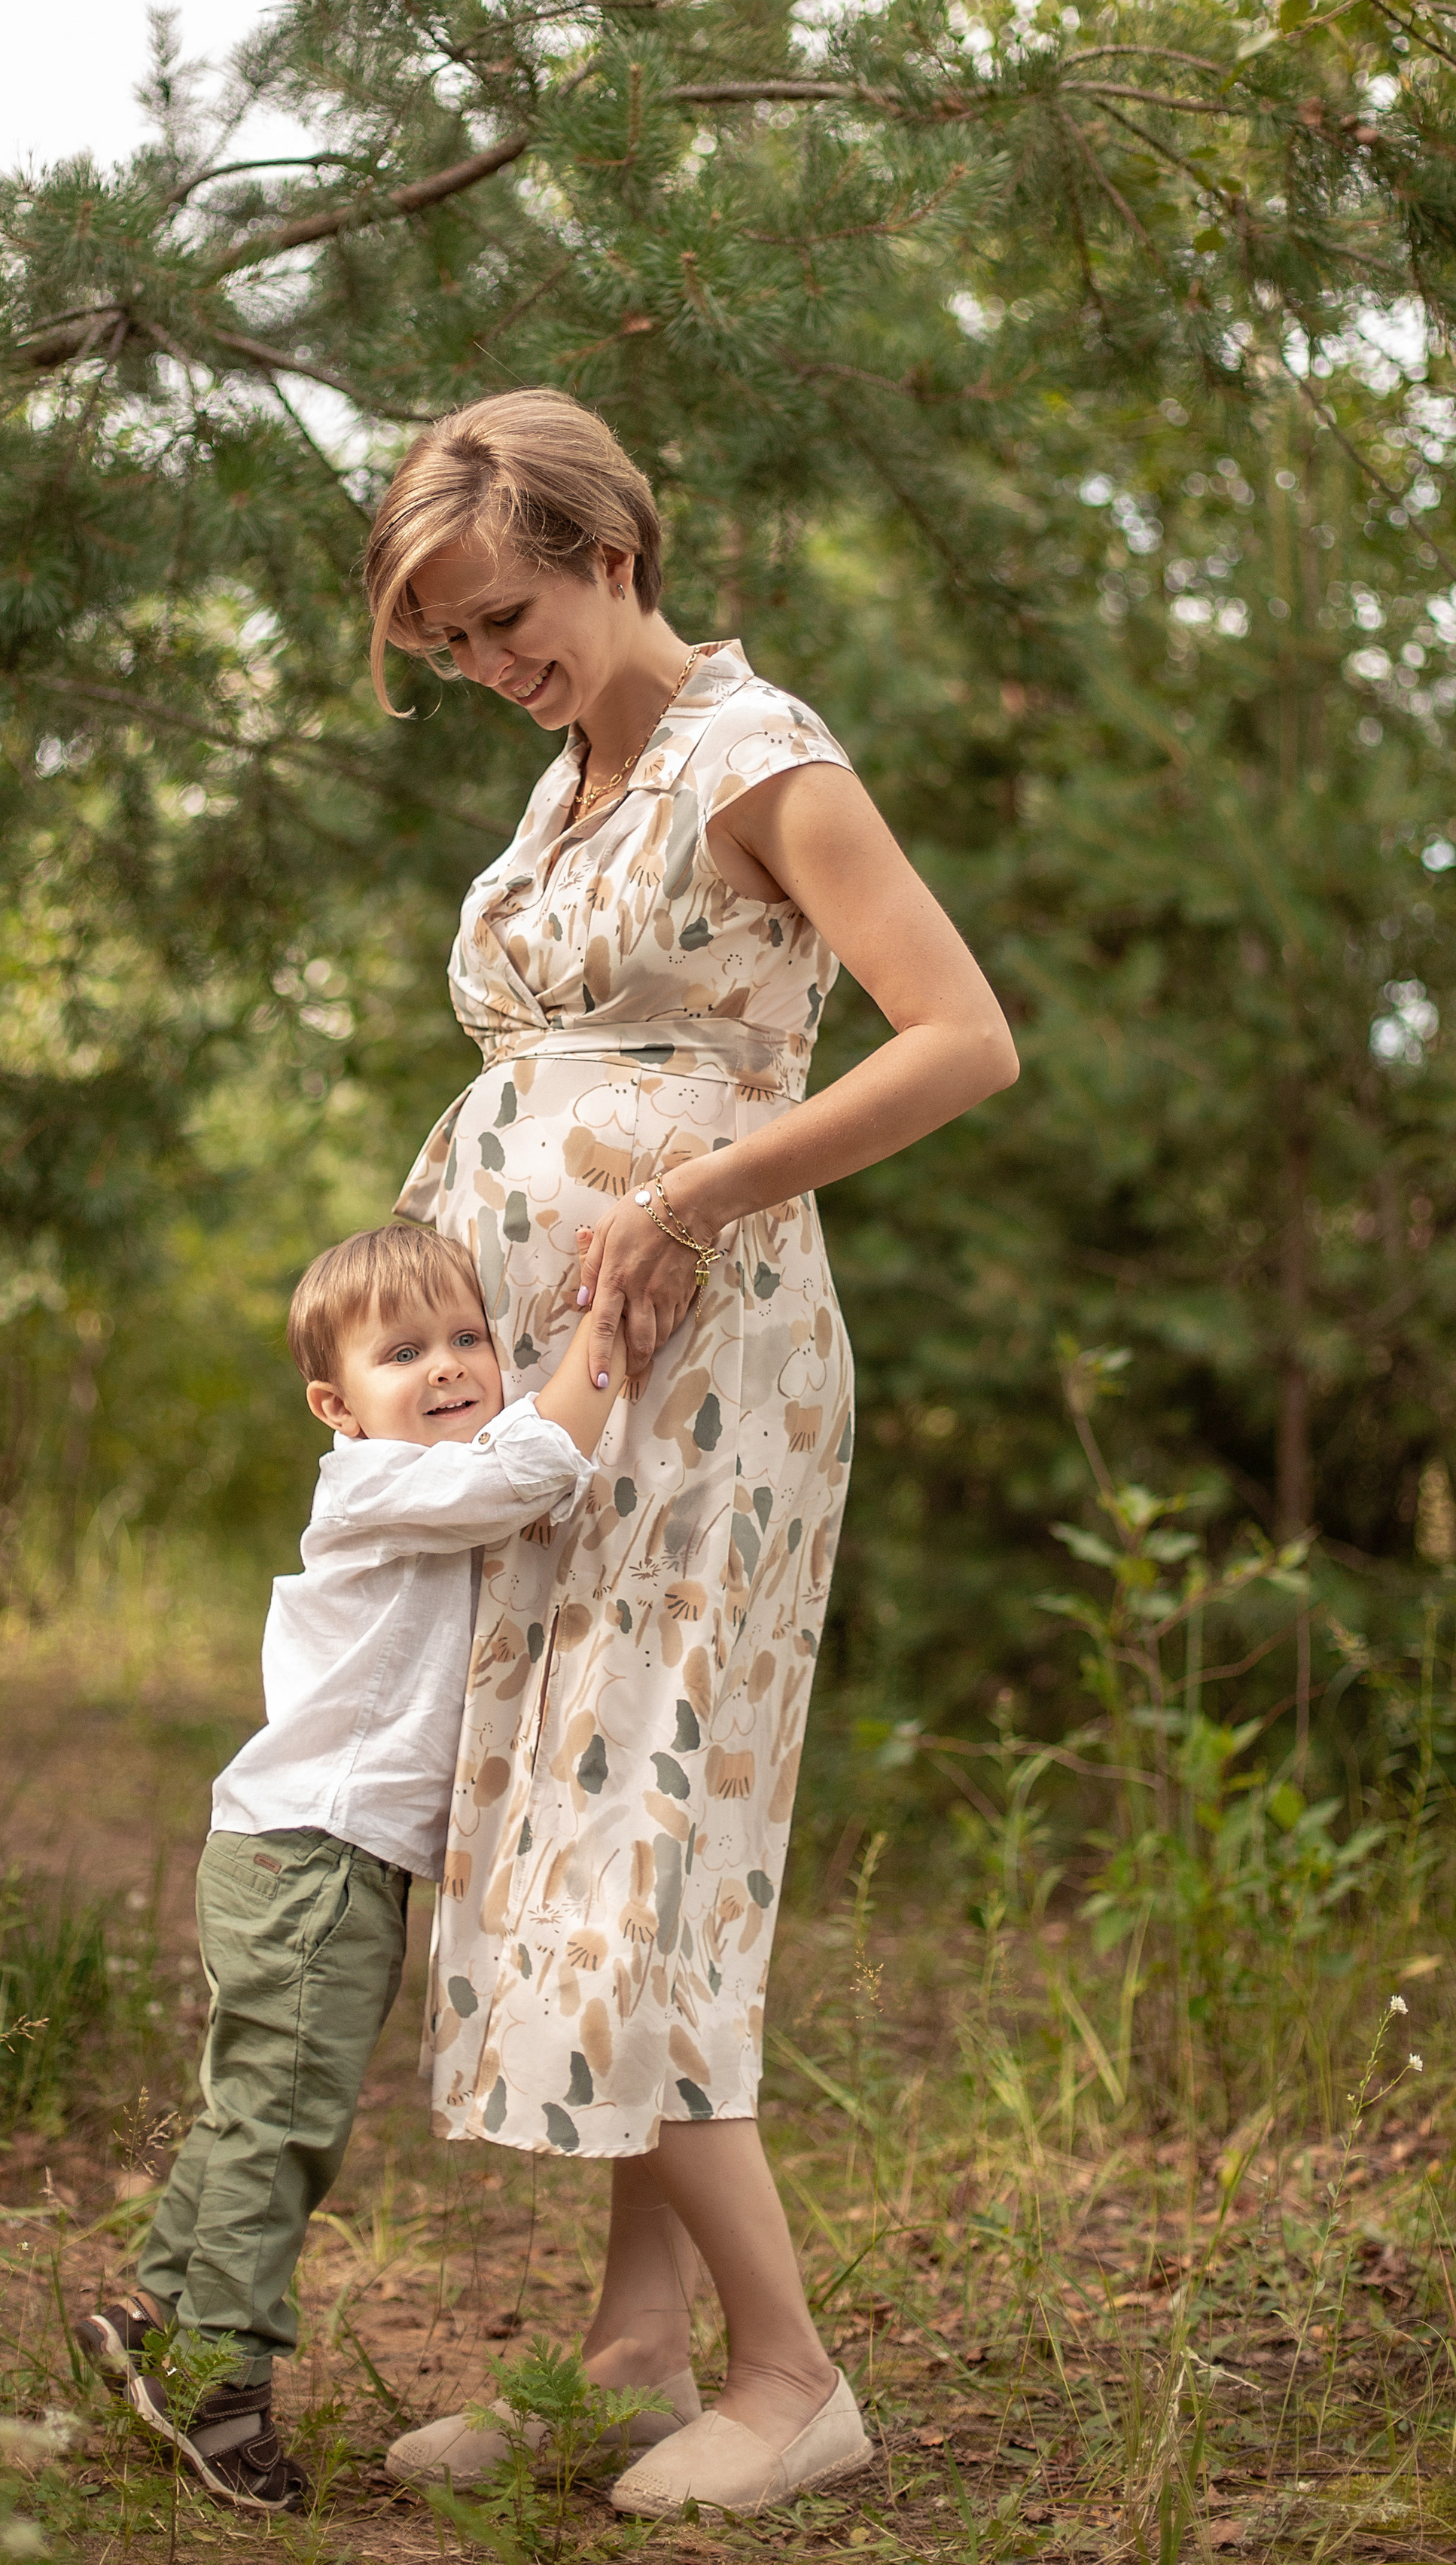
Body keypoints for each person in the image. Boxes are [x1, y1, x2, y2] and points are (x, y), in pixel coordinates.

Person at [367, 389, 1020, 2518]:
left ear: (612, 549)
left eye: (507, 614)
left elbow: (963, 1037)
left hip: (709, 1370)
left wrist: (686, 1203)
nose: (489, 664)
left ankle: (792, 2370)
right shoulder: (570, 786)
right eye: (457, 645)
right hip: (560, 1387)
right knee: (569, 1819)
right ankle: (636, 2356)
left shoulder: (763, 761)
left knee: (631, 1840)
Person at [75, 1222, 635, 2515]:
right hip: (313, 1861)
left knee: (248, 2104)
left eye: (468, 1340)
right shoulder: (372, 1488)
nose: (447, 1368)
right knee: (284, 2123)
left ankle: (158, 2316)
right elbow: (530, 1473)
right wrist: (600, 1337)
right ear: (337, 1405)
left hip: (302, 1856)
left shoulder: (425, 1465)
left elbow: (502, 1459)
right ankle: (222, 2391)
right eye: (404, 1353)